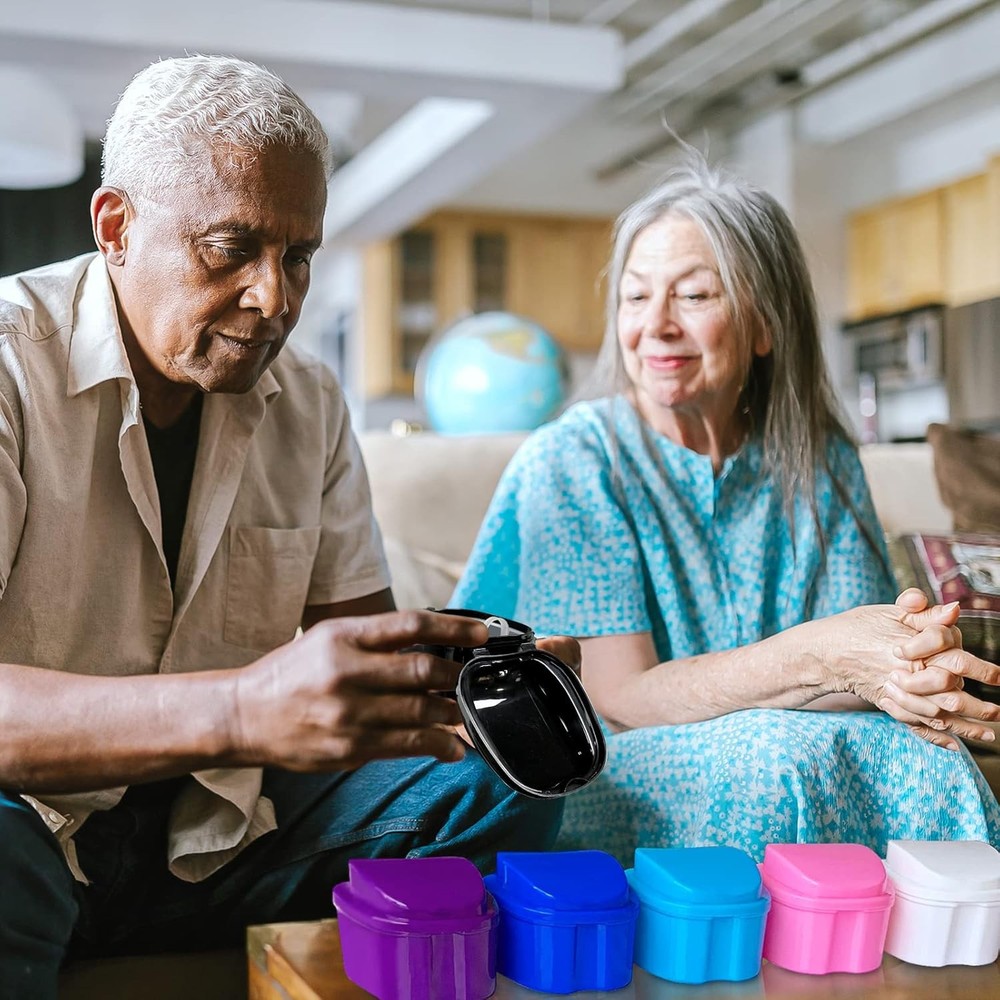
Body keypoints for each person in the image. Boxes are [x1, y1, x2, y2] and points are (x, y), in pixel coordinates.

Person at [0, 56, 567, 997]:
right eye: (233, 248)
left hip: (219, 833)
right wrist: (239, 707)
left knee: (499, 776)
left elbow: (362, 652)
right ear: (116, 228)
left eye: (299, 255)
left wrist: (464, 682)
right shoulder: (10, 366)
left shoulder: (306, 399)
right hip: (29, 826)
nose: (279, 299)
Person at [452, 154, 1000, 864]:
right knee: (772, 760)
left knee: (924, 753)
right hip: (594, 762)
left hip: (768, 738)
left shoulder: (820, 457)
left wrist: (903, 672)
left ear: (765, 326)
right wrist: (817, 654)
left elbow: (849, 675)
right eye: (636, 297)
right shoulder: (574, 459)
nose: (656, 326)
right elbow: (620, 696)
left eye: (695, 296)